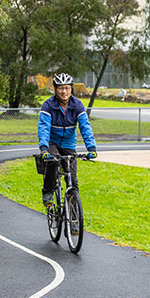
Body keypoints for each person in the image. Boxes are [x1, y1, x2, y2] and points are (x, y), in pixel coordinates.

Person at [38, 73, 97, 205]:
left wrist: (91, 148)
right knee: (53, 162)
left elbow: (85, 127)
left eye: (67, 88)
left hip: (69, 144)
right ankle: (47, 192)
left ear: (71, 89)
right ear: (55, 89)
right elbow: (44, 128)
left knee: (73, 181)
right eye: (60, 88)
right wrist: (43, 148)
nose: (64, 91)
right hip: (52, 143)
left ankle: (74, 218)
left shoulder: (78, 105)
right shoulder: (48, 106)